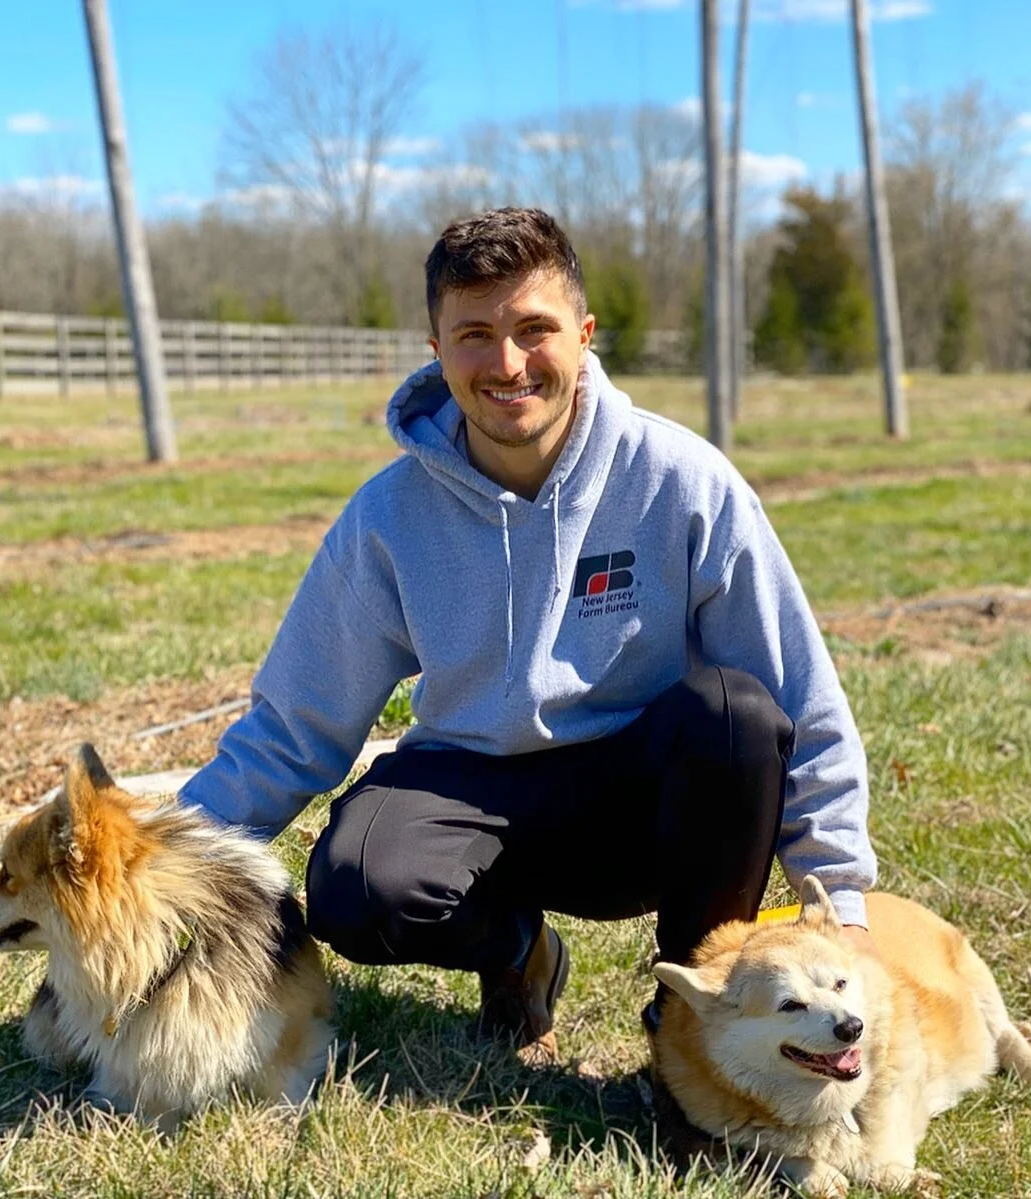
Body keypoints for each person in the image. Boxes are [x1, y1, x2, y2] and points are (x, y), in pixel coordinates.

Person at [180, 207, 876, 1061]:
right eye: (473, 333)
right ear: (435, 348)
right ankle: (517, 952)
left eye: (533, 329)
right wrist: (163, 866)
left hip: (634, 800)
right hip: (470, 784)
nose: (506, 363)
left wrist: (839, 902)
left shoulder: (681, 480)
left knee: (735, 715)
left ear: (583, 335)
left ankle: (692, 1020)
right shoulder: (389, 517)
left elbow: (799, 695)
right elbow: (293, 726)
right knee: (356, 887)